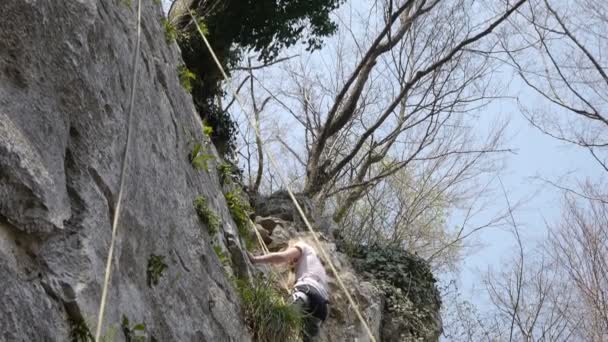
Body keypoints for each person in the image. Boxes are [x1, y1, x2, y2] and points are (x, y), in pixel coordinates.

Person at [249, 239, 330, 341]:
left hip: (305, 293)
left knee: (280, 327)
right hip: (322, 310)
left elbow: (283, 257)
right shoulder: (318, 267)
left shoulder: (303, 246)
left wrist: (255, 259)